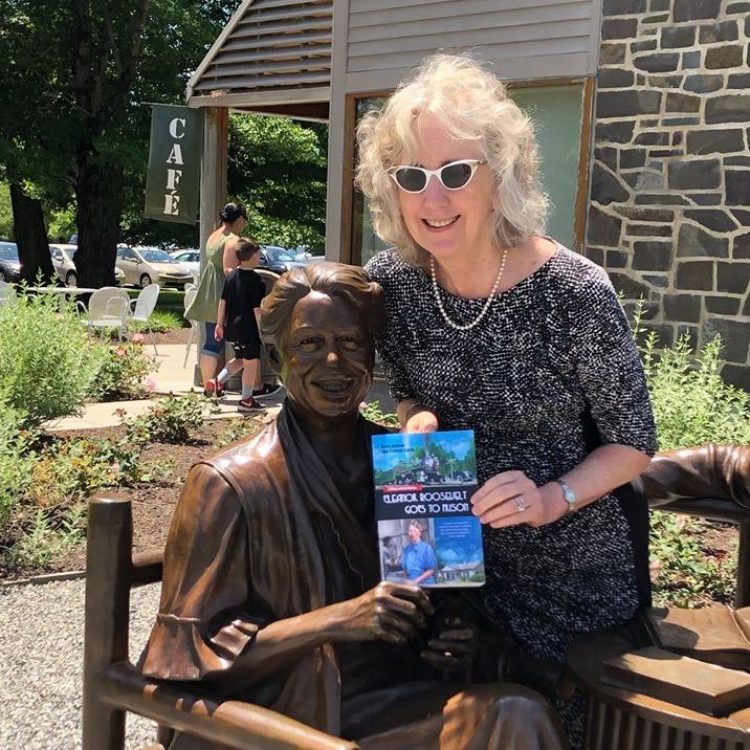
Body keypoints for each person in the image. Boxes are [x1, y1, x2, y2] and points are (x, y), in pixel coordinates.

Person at [139, 262, 566, 750]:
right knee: (512, 717)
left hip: (397, 692)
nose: (334, 361)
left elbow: (445, 596)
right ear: (278, 357)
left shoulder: (413, 464)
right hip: (290, 710)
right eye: (310, 344)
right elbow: (186, 655)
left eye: (351, 342)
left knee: (514, 710)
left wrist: (452, 632)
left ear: (372, 355)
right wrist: (341, 619)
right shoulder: (231, 483)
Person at [357, 53, 657, 747]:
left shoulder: (574, 293)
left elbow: (633, 442)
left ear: (501, 177)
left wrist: (552, 497)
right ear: (392, 191)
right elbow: (404, 389)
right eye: (412, 177)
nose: (434, 200)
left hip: (568, 590)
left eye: (457, 173)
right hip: (446, 572)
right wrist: (417, 419)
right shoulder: (393, 284)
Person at [185, 201, 247, 395]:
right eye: (244, 220)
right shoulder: (232, 239)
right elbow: (229, 269)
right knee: (238, 344)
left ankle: (207, 387)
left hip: (208, 291)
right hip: (222, 294)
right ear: (238, 220)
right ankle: (217, 387)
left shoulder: (213, 236)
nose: (244, 224)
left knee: (211, 342)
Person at [214, 239, 266, 413]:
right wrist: (263, 332)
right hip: (248, 328)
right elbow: (257, 310)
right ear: (251, 257)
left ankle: (218, 382)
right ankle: (247, 401)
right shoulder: (257, 281)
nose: (259, 256)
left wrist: (219, 324)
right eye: (257, 253)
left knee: (240, 359)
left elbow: (223, 302)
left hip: (232, 327)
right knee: (251, 363)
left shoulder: (231, 276)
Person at [402, 520, 437, 585]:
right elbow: (405, 571)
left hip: (426, 585)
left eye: (415, 530)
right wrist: (405, 582)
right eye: (410, 531)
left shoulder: (427, 548)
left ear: (420, 532)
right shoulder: (406, 550)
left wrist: (415, 582)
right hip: (410, 586)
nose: (412, 533)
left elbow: (431, 570)